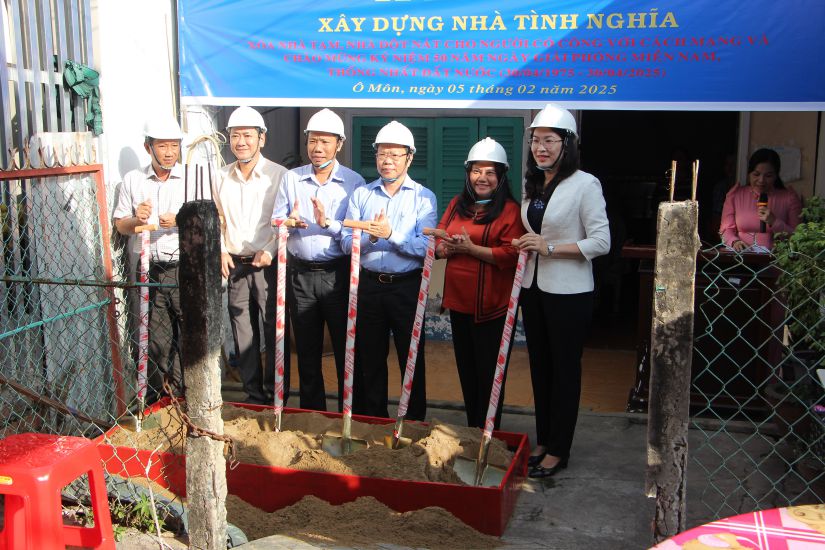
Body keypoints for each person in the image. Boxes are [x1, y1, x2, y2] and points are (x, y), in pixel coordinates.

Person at [512, 104, 610, 478]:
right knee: (540, 368)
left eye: (550, 140)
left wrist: (549, 247)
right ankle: (544, 440)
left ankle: (559, 450)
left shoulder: (586, 184)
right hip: (534, 287)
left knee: (564, 370)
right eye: (536, 140)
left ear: (567, 144)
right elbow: (534, 233)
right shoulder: (534, 185)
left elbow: (601, 242)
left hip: (569, 292)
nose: (541, 148)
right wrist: (526, 244)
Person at [341, 120, 437, 421]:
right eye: (382, 154)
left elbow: (426, 247)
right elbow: (346, 242)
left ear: (409, 158)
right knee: (370, 357)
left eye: (395, 155)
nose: (387, 161)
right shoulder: (362, 195)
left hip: (407, 286)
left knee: (411, 356)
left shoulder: (423, 197)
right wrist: (370, 237)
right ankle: (374, 420)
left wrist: (390, 234)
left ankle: (413, 422)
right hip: (368, 286)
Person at [272, 109, 365, 411]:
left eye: (325, 141)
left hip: (338, 275)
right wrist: (288, 222)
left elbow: (355, 232)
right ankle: (313, 413)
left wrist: (328, 223)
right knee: (307, 350)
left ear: (339, 144)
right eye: (313, 141)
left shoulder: (354, 182)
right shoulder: (291, 179)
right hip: (300, 275)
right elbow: (276, 220)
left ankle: (350, 412)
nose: (317, 148)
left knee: (345, 348)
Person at [435, 138, 525, 429]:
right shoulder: (456, 204)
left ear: (501, 177)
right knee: (467, 370)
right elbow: (439, 236)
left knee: (489, 374)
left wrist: (472, 249)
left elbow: (512, 253)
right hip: (458, 302)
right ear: (468, 173)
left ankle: (489, 433)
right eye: (476, 171)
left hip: (491, 306)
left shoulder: (510, 210)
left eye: (489, 172)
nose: (482, 178)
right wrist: (444, 248)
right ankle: (474, 428)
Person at [213, 106, 289, 405]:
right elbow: (217, 218)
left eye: (247, 135)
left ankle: (276, 393)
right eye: (235, 136)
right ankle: (254, 395)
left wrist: (270, 250)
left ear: (262, 139)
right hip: (235, 264)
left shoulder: (279, 176)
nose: (241, 142)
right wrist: (220, 249)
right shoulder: (220, 177)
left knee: (273, 328)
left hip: (268, 264)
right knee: (242, 330)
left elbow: (284, 222)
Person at [114, 115, 187, 399]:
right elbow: (121, 225)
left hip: (183, 268)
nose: (169, 152)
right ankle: (160, 398)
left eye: (174, 145)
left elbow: (208, 219)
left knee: (187, 333)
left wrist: (180, 220)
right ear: (148, 148)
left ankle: (183, 394)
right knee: (156, 337)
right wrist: (137, 220)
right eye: (162, 146)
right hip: (148, 268)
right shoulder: (133, 181)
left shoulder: (189, 179)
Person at [719, 148, 802, 252]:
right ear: (749, 174)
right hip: (741, 257)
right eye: (756, 174)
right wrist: (734, 242)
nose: (761, 180)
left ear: (776, 176)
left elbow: (798, 237)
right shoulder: (735, 195)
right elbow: (726, 229)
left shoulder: (789, 198)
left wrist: (774, 222)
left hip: (776, 258)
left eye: (768, 176)